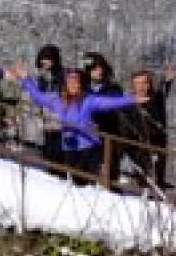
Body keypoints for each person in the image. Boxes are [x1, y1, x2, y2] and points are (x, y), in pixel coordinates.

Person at [10, 64, 140, 180]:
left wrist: (132, 99)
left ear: (80, 84)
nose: (73, 85)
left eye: (76, 82)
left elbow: (109, 103)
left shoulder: (88, 101)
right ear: (65, 84)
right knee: (75, 183)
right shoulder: (58, 101)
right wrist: (26, 79)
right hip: (69, 148)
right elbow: (39, 97)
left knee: (88, 184)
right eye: (70, 82)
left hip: (89, 149)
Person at [112, 65, 176, 189]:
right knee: (142, 181)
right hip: (137, 147)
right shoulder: (128, 103)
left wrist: (168, 79)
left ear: (149, 85)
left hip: (157, 145)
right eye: (137, 83)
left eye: (144, 83)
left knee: (156, 182)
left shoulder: (157, 99)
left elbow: (163, 89)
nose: (141, 87)